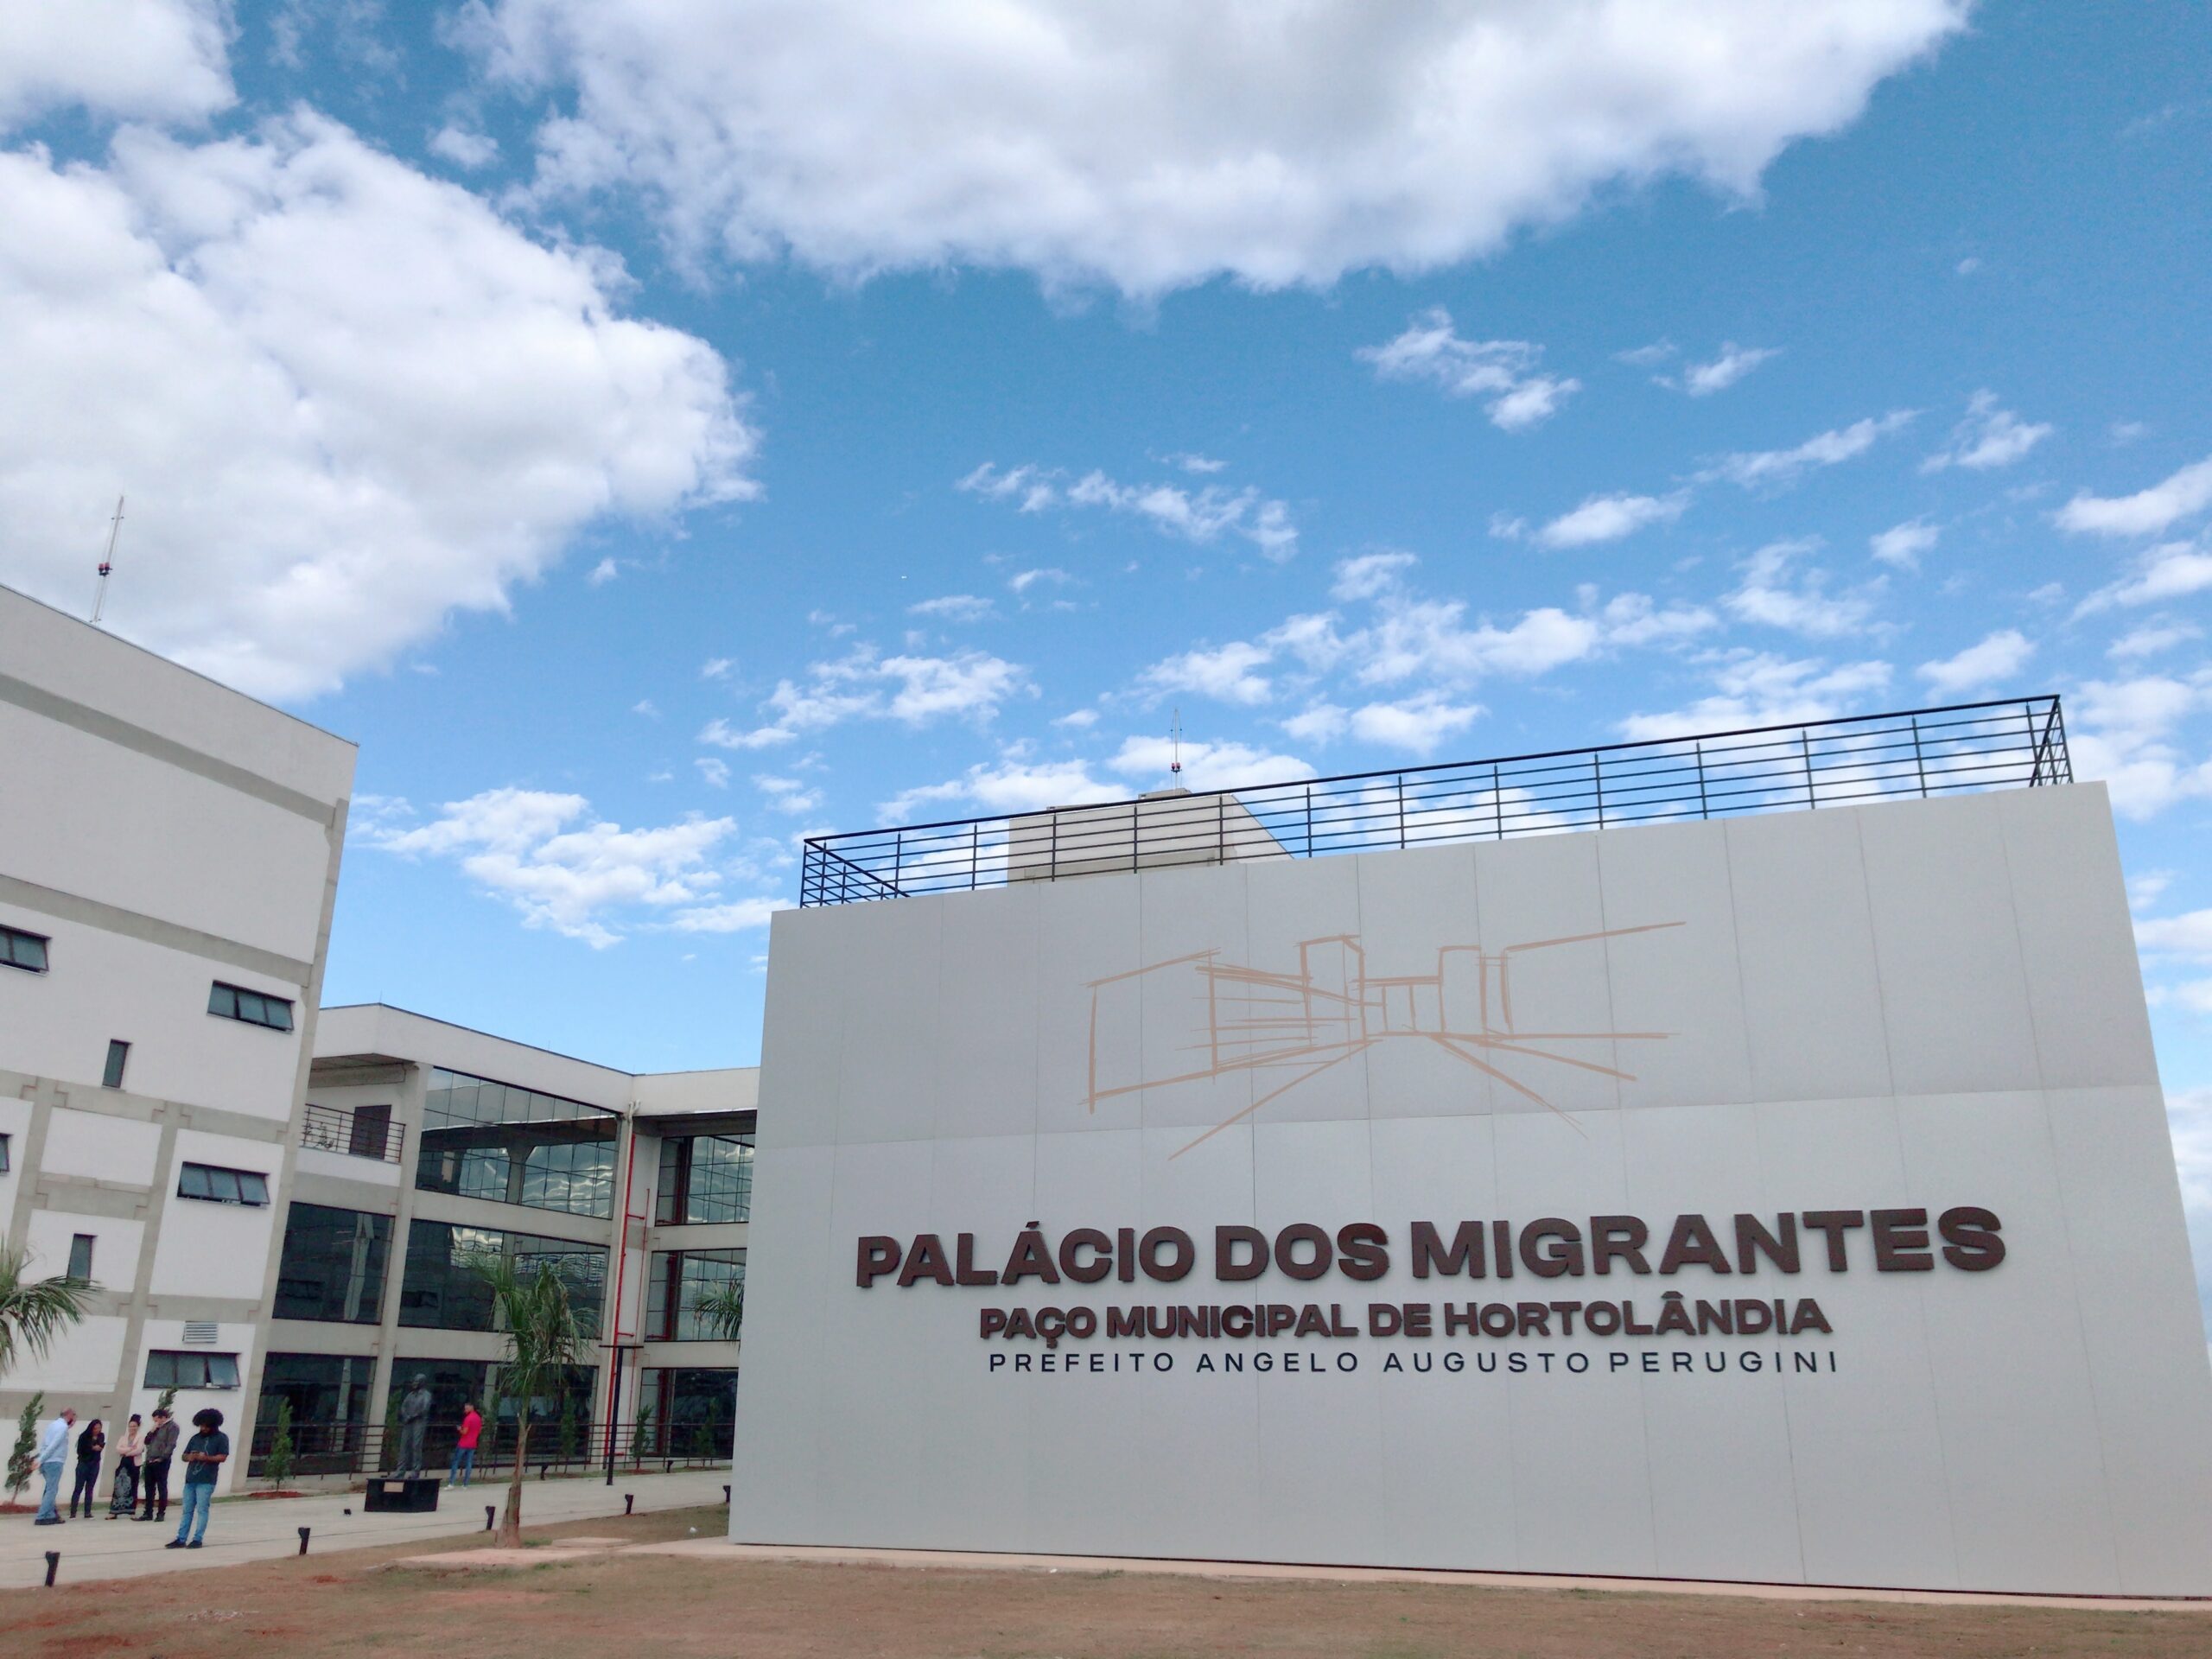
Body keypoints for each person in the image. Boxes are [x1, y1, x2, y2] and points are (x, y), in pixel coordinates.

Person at [166, 1408, 227, 1549]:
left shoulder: (221, 1438)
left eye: (206, 1426)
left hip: (207, 1480)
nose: (203, 1428)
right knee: (187, 1510)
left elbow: (223, 1457)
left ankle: (197, 1539)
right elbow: (184, 1456)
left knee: (202, 1510)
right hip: (190, 1479)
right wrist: (191, 1457)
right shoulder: (195, 1438)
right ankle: (181, 1538)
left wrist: (206, 1458)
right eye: (201, 1425)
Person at [32, 1406, 75, 1525]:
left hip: (46, 1461)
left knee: (49, 1488)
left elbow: (45, 1443)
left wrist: (41, 1459)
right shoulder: (63, 1428)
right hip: (54, 1461)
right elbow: (54, 1445)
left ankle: (51, 1514)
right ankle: (42, 1516)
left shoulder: (53, 1425)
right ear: (69, 1415)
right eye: (73, 1415)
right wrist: (40, 1459)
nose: (73, 1418)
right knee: (52, 1490)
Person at [138, 1405, 179, 1524]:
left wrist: (162, 1458)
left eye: (157, 1420)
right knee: (149, 1487)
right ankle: (148, 1512)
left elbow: (171, 1444)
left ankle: (161, 1513)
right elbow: (147, 1441)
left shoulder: (172, 1427)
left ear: (163, 1418)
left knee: (161, 1487)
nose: (156, 1422)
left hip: (161, 1461)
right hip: (150, 1459)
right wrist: (152, 1430)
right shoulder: (156, 1428)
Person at [68, 1417, 105, 1518]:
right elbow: (80, 1451)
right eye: (95, 1428)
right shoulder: (84, 1436)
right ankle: (73, 1512)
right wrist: (92, 1448)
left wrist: (96, 1447)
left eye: (99, 1428)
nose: (97, 1430)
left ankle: (87, 1512)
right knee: (78, 1488)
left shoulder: (101, 1436)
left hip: (94, 1464)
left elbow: (101, 1446)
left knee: (90, 1488)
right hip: (84, 1464)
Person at [396, 1375, 432, 1478]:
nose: (414, 1384)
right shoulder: (410, 1395)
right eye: (414, 1381)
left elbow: (424, 1409)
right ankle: (400, 1471)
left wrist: (412, 1416)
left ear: (422, 1383)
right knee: (403, 1446)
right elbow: (403, 1406)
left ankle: (415, 1471)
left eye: (417, 1382)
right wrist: (406, 1416)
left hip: (418, 1422)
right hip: (408, 1422)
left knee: (416, 1446)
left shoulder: (426, 1395)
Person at [108, 1414, 143, 1518]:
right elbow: (118, 1449)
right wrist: (130, 1449)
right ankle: (114, 1512)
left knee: (133, 1486)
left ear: (138, 1427)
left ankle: (132, 1512)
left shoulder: (140, 1437)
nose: (132, 1428)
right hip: (123, 1463)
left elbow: (139, 1450)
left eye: (134, 1426)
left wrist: (126, 1452)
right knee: (118, 1486)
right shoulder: (123, 1438)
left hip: (134, 1463)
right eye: (130, 1426)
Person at [448, 1400, 483, 1487]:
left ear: (471, 1407)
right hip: (473, 1443)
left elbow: (464, 1432)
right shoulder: (478, 1418)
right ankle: (465, 1484)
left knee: (456, 1462)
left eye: (467, 1408)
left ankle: (452, 1482)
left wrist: (460, 1429)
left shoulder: (468, 1419)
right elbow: (479, 1431)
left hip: (463, 1443)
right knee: (469, 1463)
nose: (465, 1410)